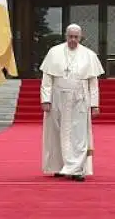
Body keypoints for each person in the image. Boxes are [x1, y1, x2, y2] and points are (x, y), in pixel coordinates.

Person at [40, 23, 104, 181]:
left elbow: (93, 84)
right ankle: (57, 166)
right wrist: (45, 99)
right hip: (57, 98)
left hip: (79, 100)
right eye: (70, 36)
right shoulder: (54, 53)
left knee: (78, 135)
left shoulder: (89, 55)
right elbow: (47, 79)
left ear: (81, 37)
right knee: (55, 133)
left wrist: (95, 105)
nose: (73, 40)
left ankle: (77, 169)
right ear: (66, 36)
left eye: (76, 37)